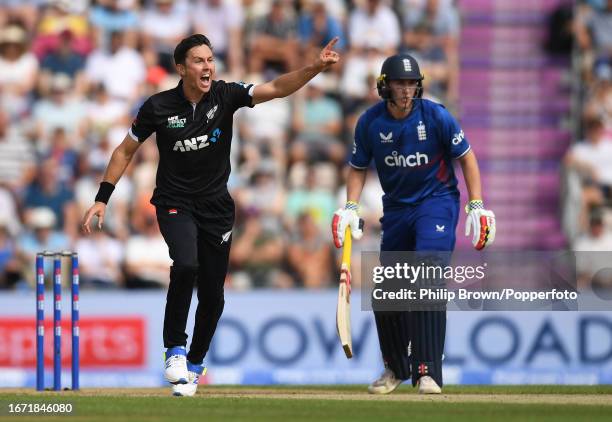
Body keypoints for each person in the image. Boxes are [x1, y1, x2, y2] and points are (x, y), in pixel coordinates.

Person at [81, 33, 340, 397]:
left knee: (214, 295)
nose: (207, 66)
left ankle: (195, 364)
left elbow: (278, 88)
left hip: (217, 208)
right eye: (199, 61)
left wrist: (313, 66)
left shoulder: (225, 94)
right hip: (174, 203)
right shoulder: (157, 106)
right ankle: (174, 350)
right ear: (181, 68)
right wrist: (102, 198)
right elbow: (125, 151)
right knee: (186, 264)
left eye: (210, 59)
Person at [331, 53, 495, 395]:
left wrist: (476, 204)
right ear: (384, 86)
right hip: (397, 210)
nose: (406, 90)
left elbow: (466, 157)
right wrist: (350, 206)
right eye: (399, 83)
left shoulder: (436, 116)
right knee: (386, 292)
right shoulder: (370, 122)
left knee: (426, 278)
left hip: (436, 204)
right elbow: (358, 167)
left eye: (411, 83)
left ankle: (428, 371)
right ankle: (395, 367)